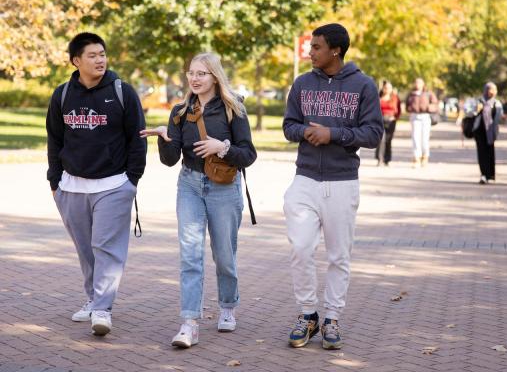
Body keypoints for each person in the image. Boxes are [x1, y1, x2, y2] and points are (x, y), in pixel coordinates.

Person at [140, 52, 256, 348]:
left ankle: (227, 305)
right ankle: (189, 323)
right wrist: (164, 139)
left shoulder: (233, 109)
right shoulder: (180, 111)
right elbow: (170, 160)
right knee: (191, 255)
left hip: (224, 189)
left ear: (215, 77)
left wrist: (223, 147)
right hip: (189, 185)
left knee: (224, 256)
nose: (194, 78)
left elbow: (248, 155)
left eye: (201, 73)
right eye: (191, 72)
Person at [282, 23, 383, 350]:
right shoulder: (302, 83)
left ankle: (332, 318)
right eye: (310, 47)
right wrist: (306, 133)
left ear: (335, 50)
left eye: (316, 47)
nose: (310, 52)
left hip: (342, 182)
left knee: (339, 255)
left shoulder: (363, 86)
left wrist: (333, 134)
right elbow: (288, 125)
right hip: (305, 179)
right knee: (300, 249)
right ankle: (308, 313)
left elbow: (373, 134)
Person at [46, 32, 147, 336]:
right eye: (92, 55)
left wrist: (132, 179)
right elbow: (54, 138)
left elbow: (137, 138)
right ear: (76, 61)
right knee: (85, 249)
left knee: (106, 247)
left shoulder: (122, 92)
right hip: (72, 186)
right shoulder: (62, 94)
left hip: (114, 184)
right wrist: (55, 181)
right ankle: (93, 299)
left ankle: (102, 308)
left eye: (102, 53)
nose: (100, 59)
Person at [473, 82, 503, 184]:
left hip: (490, 132)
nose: (493, 92)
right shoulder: (479, 101)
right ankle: (483, 175)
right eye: (491, 89)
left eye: (494, 90)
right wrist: (476, 110)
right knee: (481, 153)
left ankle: (491, 175)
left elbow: (499, 117)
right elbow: (469, 112)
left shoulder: (497, 103)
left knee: (490, 153)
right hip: (480, 131)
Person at [405, 78, 438, 167]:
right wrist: (410, 108)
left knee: (425, 138)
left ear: (423, 84)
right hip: (415, 116)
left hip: (425, 116)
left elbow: (435, 104)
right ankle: (416, 158)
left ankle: (425, 157)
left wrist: (429, 107)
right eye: (416, 83)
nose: (417, 84)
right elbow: (407, 105)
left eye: (419, 83)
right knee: (415, 138)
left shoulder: (428, 93)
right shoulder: (411, 94)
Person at [375, 80, 401, 166]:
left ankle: (387, 160)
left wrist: (396, 117)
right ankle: (380, 159)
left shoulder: (395, 97)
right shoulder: (378, 97)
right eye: (386, 88)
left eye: (389, 88)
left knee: (388, 140)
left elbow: (399, 110)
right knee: (381, 140)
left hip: (391, 121)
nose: (387, 89)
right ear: (383, 88)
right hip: (380, 120)